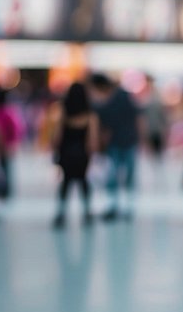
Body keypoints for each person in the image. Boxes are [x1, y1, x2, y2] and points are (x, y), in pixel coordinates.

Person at [91, 74, 141, 221]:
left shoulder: (110, 100)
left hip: (120, 142)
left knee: (116, 176)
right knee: (123, 176)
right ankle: (124, 207)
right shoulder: (124, 97)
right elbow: (138, 118)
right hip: (123, 141)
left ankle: (119, 207)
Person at [52, 82, 98, 227]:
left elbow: (57, 137)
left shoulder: (64, 114)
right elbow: (92, 141)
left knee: (66, 182)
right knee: (83, 181)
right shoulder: (90, 116)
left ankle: (61, 213)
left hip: (66, 153)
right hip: (82, 155)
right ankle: (87, 212)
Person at [0, 88, 23, 203]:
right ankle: (5, 191)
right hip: (5, 146)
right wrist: (12, 143)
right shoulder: (8, 112)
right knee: (5, 169)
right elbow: (15, 129)